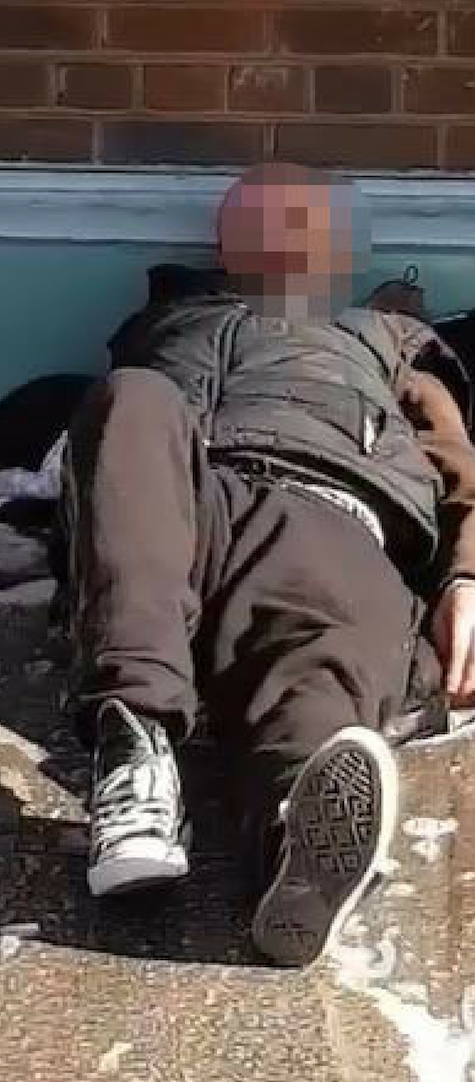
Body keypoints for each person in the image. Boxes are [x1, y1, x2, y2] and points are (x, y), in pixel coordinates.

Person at [65, 162, 475, 966]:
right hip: (186, 508)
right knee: (130, 399)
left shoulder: (387, 341)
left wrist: (466, 576)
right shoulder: (162, 325)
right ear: (226, 245)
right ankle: (134, 751)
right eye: (261, 225)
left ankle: (298, 836)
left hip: (330, 517)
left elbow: (462, 470)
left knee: (319, 676)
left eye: (305, 227)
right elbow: (95, 451)